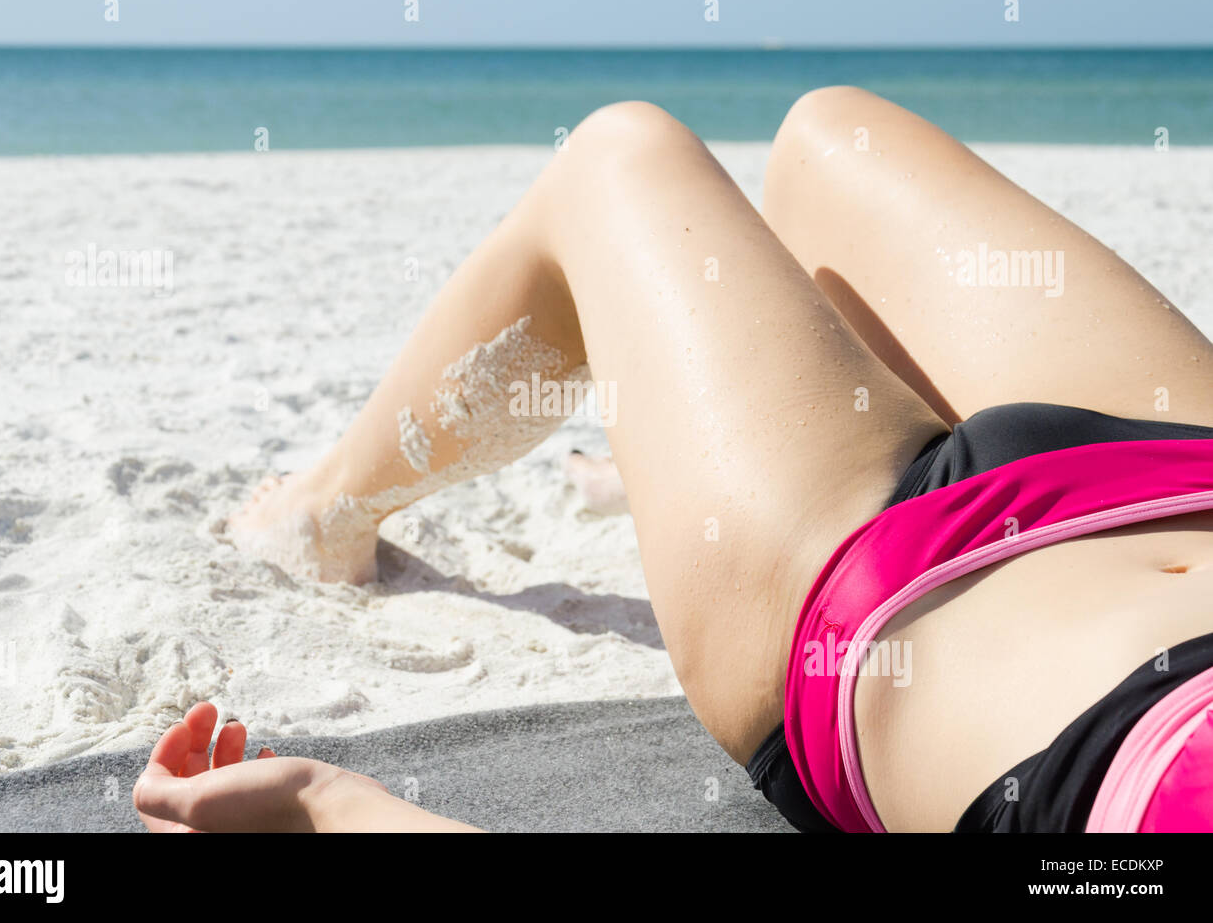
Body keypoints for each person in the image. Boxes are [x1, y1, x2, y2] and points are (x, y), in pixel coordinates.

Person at [135, 87, 1213, 833]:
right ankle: (675, 454)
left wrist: (335, 808)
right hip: (1178, 473)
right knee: (832, 139)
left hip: (880, 594)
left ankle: (325, 515)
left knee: (619, 156)